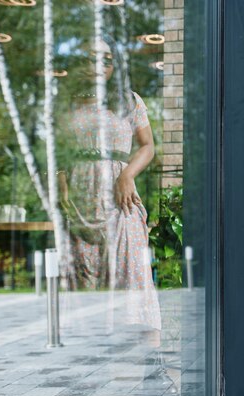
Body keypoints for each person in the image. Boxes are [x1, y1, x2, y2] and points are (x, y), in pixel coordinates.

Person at [58, 37, 162, 336]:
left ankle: (149, 364)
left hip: (120, 198)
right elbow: (59, 152)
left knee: (133, 277)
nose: (98, 65)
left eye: (106, 59)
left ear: (114, 65)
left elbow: (147, 146)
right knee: (83, 278)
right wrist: (61, 182)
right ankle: (92, 361)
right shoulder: (66, 102)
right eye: (91, 58)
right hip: (79, 200)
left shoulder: (129, 99)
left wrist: (127, 174)